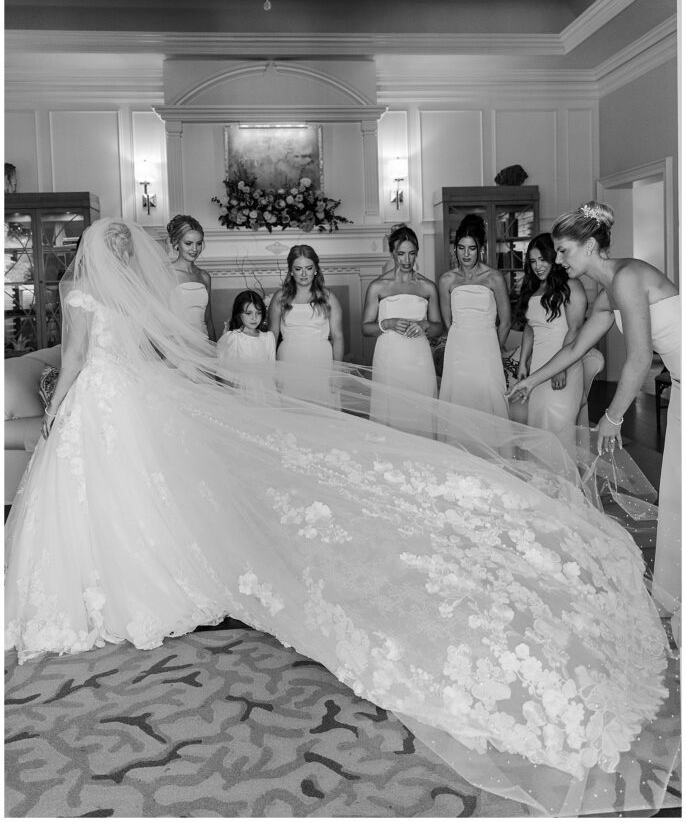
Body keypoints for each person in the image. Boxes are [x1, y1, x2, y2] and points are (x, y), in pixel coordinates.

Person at [4, 217, 678, 818]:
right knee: (137, 488)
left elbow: (75, 359)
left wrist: (58, 410)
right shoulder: (128, 294)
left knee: (110, 490)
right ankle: (141, 577)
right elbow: (144, 351)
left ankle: (117, 583)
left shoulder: (81, 292)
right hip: (132, 397)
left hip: (105, 399)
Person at [509, 201, 681, 624]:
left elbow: (639, 358)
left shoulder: (627, 277)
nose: (559, 260)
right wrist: (532, 380)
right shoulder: (608, 295)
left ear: (588, 246)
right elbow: (574, 348)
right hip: (681, 386)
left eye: (564, 250)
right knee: (678, 492)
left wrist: (614, 416)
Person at [361, 225, 442, 434]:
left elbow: (438, 327)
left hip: (419, 358)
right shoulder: (378, 286)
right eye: (401, 254)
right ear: (392, 253)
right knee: (391, 411)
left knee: (419, 411)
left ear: (417, 253)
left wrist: (425, 325)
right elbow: (366, 328)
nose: (407, 260)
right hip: (389, 358)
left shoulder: (428, 287)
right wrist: (387, 324)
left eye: (411, 254)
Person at [438, 213, 511, 417]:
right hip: (458, 350)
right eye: (461, 248)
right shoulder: (446, 280)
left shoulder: (494, 278)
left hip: (487, 349)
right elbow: (448, 323)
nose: (466, 254)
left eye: (471, 248)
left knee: (490, 398)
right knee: (459, 402)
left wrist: (493, 349)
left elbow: (506, 322)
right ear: (455, 249)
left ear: (481, 249)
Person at [514, 232, 587, 433]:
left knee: (557, 421)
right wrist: (523, 362)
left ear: (554, 257)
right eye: (533, 261)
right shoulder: (532, 288)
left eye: (542, 259)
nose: (537, 266)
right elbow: (530, 327)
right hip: (538, 364)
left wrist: (560, 368)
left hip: (565, 361)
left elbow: (575, 329)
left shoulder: (571, 285)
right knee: (538, 421)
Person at [267, 244, 344, 405]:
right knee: (290, 409)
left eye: (308, 268)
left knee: (322, 408)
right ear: (291, 270)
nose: (303, 274)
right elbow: (271, 336)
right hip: (288, 361)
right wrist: (272, 369)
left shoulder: (329, 298)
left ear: (315, 269)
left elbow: (338, 337)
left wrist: (337, 372)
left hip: (321, 362)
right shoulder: (280, 297)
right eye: (298, 269)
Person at [167, 214, 216, 340]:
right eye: (188, 243)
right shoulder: (167, 274)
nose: (194, 249)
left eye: (198, 243)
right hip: (177, 344)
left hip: (203, 342)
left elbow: (208, 320)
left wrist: (214, 348)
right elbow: (157, 319)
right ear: (176, 243)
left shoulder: (204, 277)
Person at [217, 289, 276, 365]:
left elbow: (271, 366)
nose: (254, 318)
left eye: (258, 313)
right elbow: (225, 367)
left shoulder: (268, 338)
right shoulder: (233, 338)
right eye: (248, 313)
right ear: (239, 314)